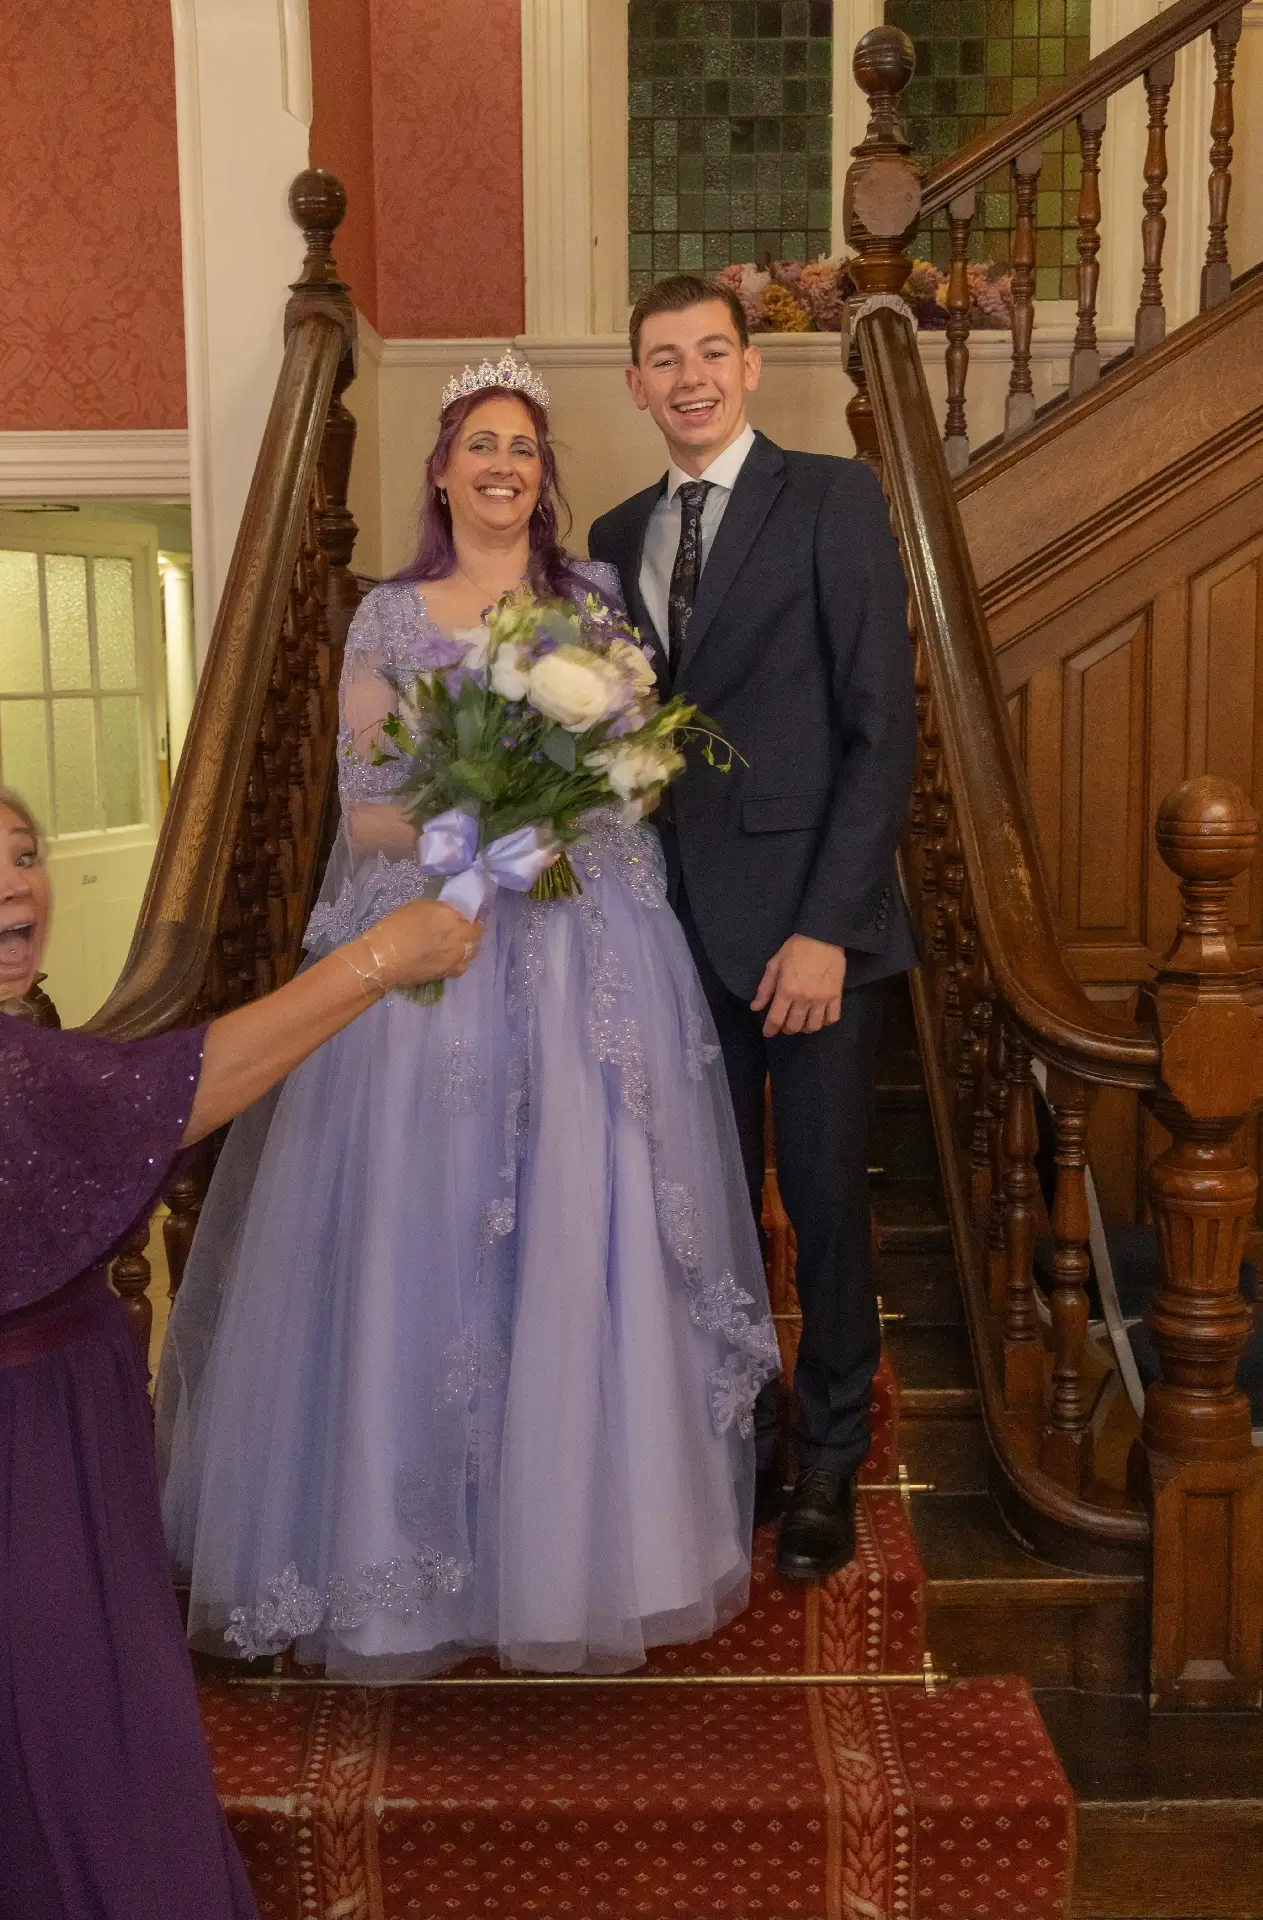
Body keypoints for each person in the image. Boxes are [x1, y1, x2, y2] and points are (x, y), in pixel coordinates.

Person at [157, 353, 778, 1682]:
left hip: (585, 956)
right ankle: (405, 1567)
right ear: (441, 470)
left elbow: (632, 772)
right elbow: (366, 812)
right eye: (479, 446)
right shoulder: (386, 616)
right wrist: (491, 814)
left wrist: (574, 798)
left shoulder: (593, 599)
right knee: (419, 1236)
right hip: (433, 945)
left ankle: (578, 1556)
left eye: (523, 449)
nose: (502, 467)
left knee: (580, 1225)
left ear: (544, 478)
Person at [0, 774, 477, 1920]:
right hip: (8, 1461)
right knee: (81, 1744)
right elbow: (177, 1088)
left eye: (24, 854)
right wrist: (376, 960)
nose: (16, 882)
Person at [589, 275, 919, 1583]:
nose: (685, 378)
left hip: (812, 936)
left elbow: (876, 731)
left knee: (827, 1205)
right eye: (660, 359)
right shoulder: (613, 536)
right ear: (633, 383)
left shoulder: (831, 498)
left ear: (748, 367)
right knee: (701, 1213)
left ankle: (830, 1454)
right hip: (666, 934)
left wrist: (827, 927)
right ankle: (742, 1441)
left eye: (706, 354)